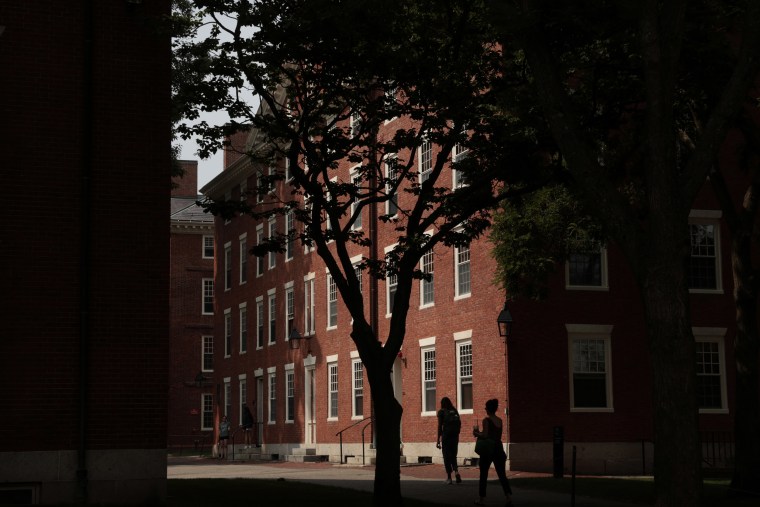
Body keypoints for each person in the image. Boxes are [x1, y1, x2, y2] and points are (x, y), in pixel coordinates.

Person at [472, 398, 513, 506]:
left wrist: (477, 434)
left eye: (486, 407)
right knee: (502, 474)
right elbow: (495, 435)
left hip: (488, 450)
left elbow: (485, 435)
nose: (485, 409)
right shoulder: (500, 420)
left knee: (483, 474)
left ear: (488, 409)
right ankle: (508, 497)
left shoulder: (486, 420)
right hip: (498, 448)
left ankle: (481, 499)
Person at [436, 397, 462, 484]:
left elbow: (440, 426)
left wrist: (438, 440)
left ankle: (449, 478)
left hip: (446, 436)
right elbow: (459, 423)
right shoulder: (454, 410)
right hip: (455, 437)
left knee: (447, 456)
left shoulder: (442, 412)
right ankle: (457, 472)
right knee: (453, 455)